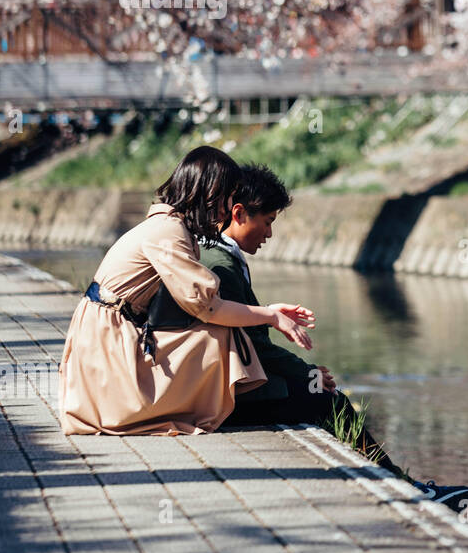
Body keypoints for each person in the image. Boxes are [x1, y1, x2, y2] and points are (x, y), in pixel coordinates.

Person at [146, 162, 468, 513]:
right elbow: (254, 347)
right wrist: (307, 373)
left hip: (210, 384)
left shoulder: (217, 254)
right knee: (327, 400)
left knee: (320, 394)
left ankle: (397, 485)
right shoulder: (221, 265)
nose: (269, 234)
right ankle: (407, 492)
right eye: (267, 221)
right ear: (239, 214)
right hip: (218, 400)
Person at [58, 146, 316, 435]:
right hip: (106, 344)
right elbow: (209, 308)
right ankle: (227, 409)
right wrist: (271, 317)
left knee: (215, 332)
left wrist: (267, 313)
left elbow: (199, 305)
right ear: (211, 194)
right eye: (228, 197)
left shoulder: (169, 227)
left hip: (107, 334)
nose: (228, 209)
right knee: (218, 333)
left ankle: (219, 406)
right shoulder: (169, 233)